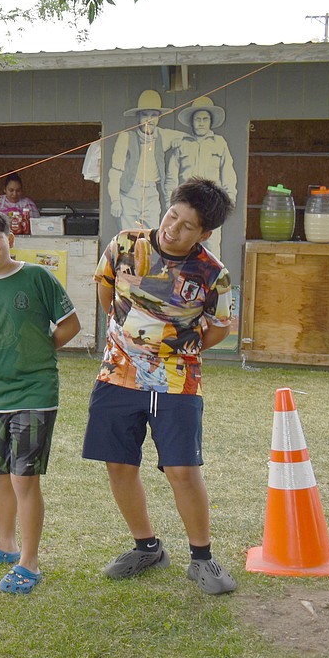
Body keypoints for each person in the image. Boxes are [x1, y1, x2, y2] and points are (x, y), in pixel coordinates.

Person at [84, 177, 237, 595]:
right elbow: (105, 290)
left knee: (182, 469)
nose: (174, 228)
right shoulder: (125, 245)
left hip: (177, 380)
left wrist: (174, 348)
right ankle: (146, 547)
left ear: (204, 234)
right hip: (118, 373)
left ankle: (202, 558)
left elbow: (220, 327)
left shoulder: (213, 274)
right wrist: (130, 343)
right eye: (173, 215)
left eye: (188, 225)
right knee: (119, 463)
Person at [0, 209, 80, 594]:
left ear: (12, 238)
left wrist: (38, 352)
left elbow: (70, 324)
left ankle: (29, 561)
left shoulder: (37, 277)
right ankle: (5, 545)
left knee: (24, 477)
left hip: (35, 393)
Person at [164, 96, 235, 257]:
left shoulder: (220, 143)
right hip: (185, 204)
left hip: (211, 207)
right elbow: (171, 177)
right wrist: (175, 204)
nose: (201, 123)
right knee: (176, 247)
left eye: (205, 119)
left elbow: (229, 175)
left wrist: (224, 206)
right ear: (192, 122)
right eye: (197, 119)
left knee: (211, 250)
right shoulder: (181, 143)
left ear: (211, 122)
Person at [109, 89, 176, 232]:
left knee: (152, 236)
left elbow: (185, 138)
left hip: (151, 193)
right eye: (145, 115)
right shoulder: (126, 137)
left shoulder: (163, 136)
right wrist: (115, 200)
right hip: (129, 193)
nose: (149, 119)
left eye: (154, 115)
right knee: (128, 237)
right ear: (138, 117)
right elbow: (115, 172)